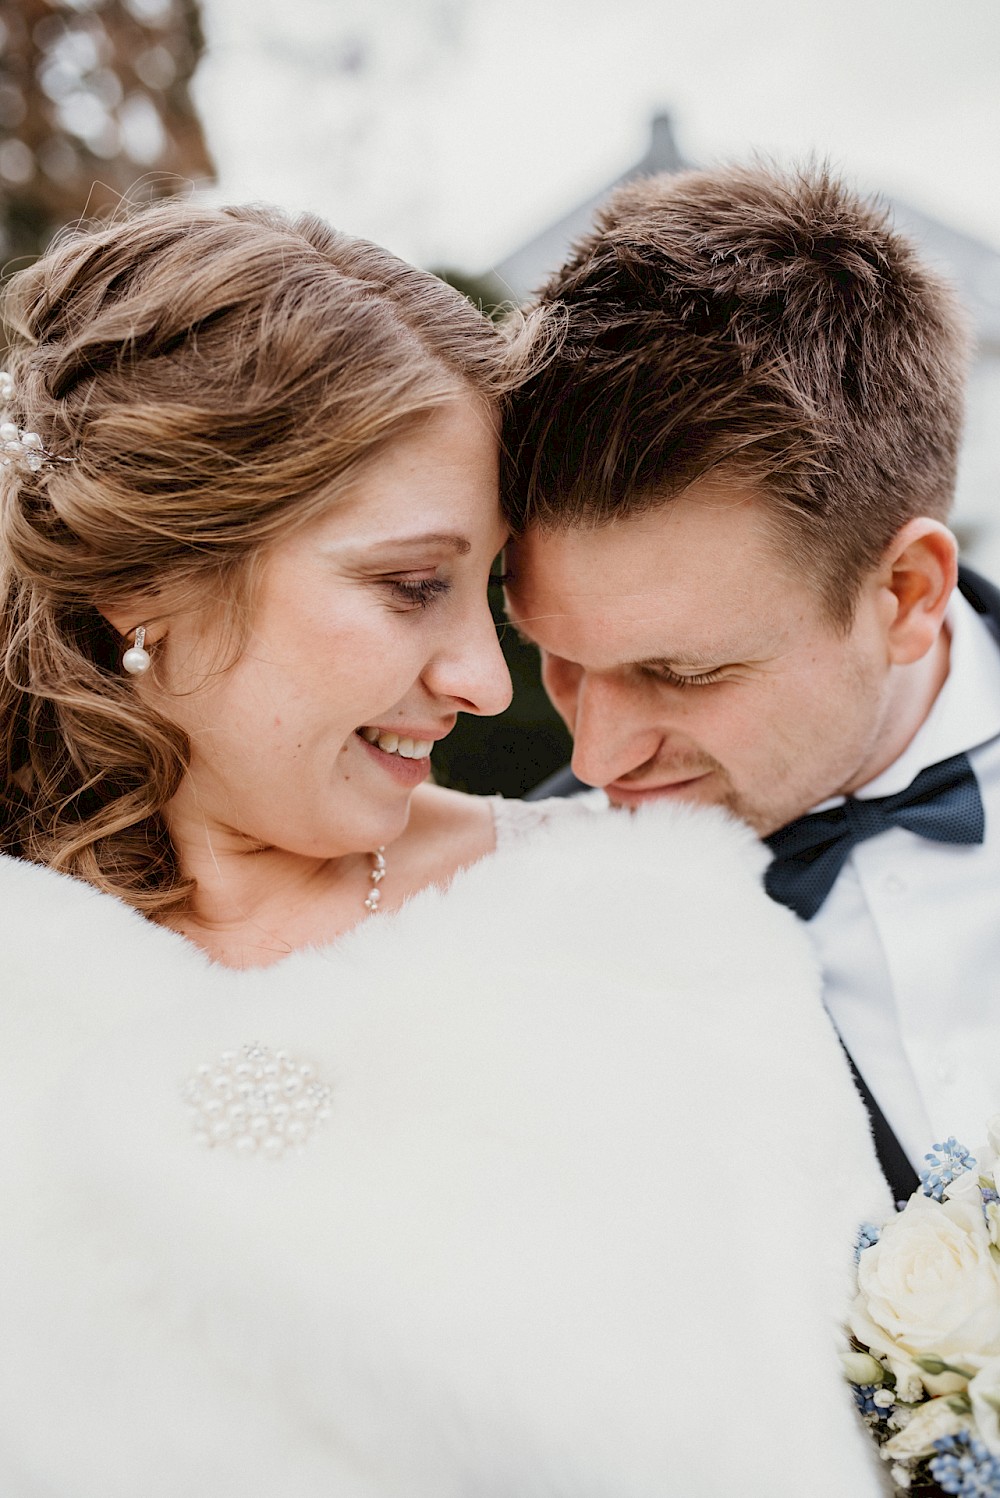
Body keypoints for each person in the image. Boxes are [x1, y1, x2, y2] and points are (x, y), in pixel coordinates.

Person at [0, 201, 885, 1495]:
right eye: (413, 584)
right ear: (147, 580)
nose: (483, 678)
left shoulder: (649, 928)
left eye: (488, 594)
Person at [503, 161, 995, 1208]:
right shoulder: (518, 917)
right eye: (554, 656)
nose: (594, 760)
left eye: (679, 672)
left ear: (904, 593)